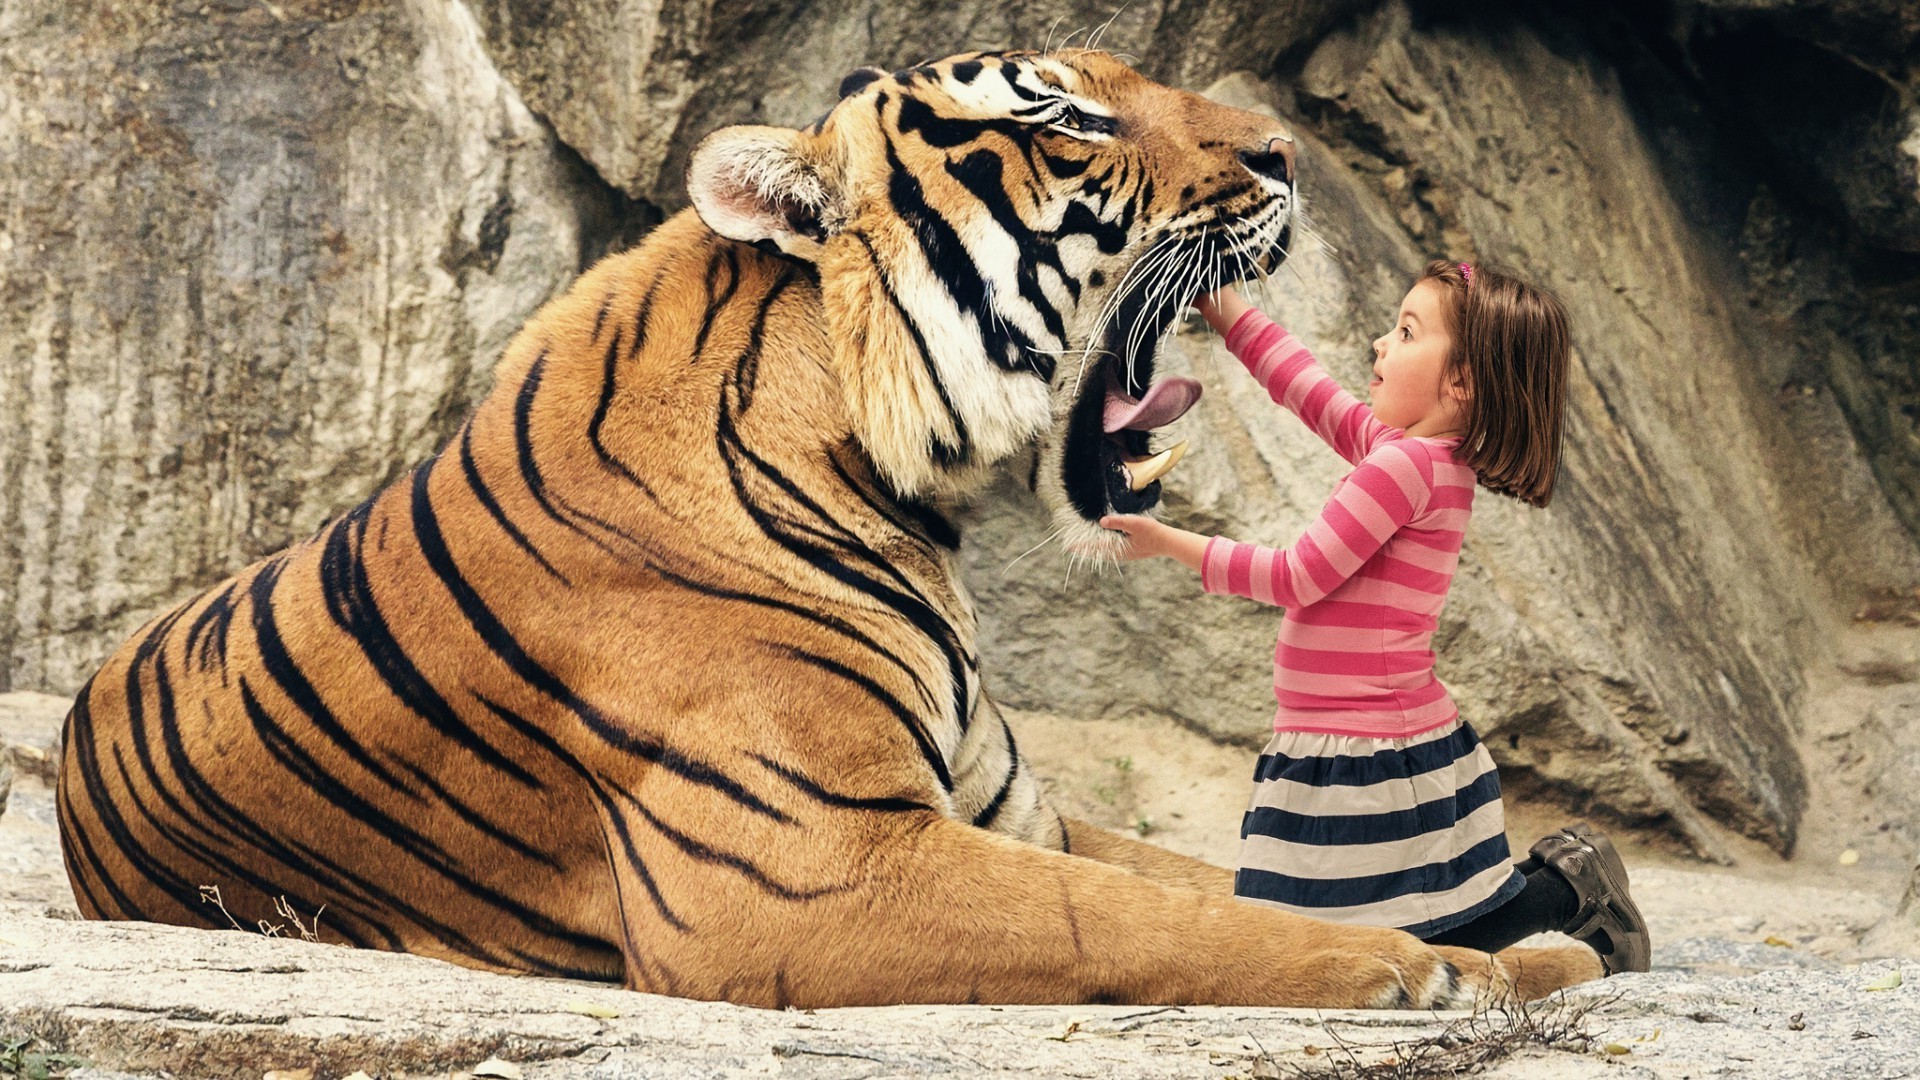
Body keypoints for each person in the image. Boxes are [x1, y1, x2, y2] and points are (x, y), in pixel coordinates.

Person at [1101, 263, 1649, 974]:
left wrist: (1168, 544)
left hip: (1365, 751)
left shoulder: (1405, 469)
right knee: (1371, 946)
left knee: (1355, 955)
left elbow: (1299, 576)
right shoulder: (1417, 455)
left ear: (1463, 382)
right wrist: (1221, 302)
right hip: (1360, 737)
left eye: (1407, 332)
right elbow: (1307, 390)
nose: (1379, 344)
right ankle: (1568, 885)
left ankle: (1565, 891)